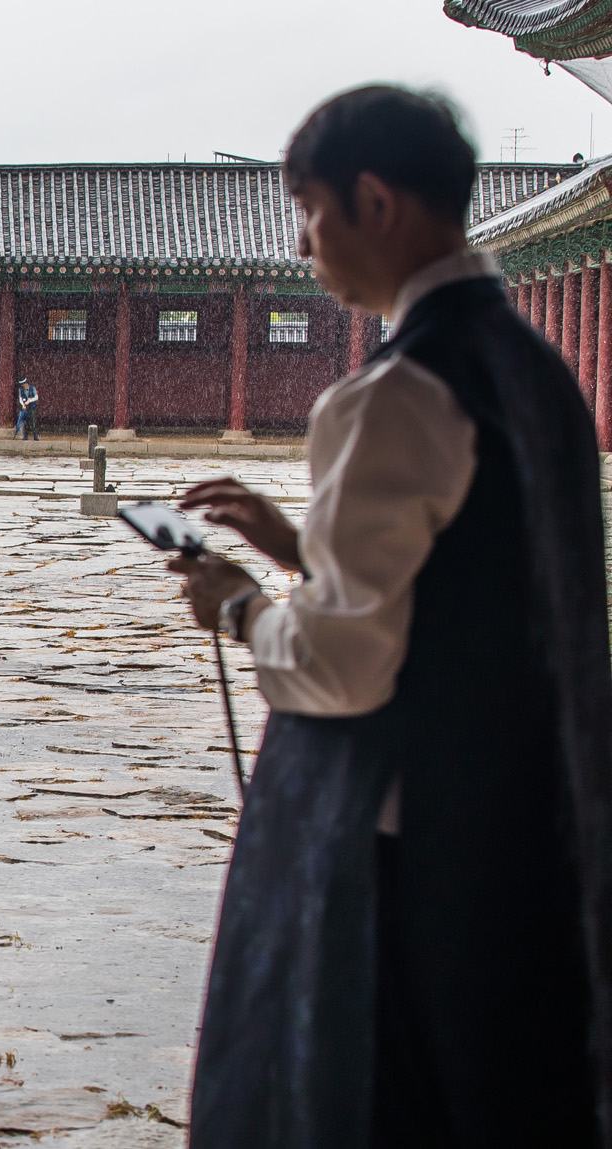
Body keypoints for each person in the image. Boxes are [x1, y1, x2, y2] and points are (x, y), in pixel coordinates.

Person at [170, 86, 611, 1147]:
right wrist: (296, 548)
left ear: (373, 200)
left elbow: (341, 663)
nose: (303, 242)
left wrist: (237, 605)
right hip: (524, 813)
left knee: (358, 1102)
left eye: (309, 210)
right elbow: (464, 580)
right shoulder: (529, 367)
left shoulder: (389, 393)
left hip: (400, 850)